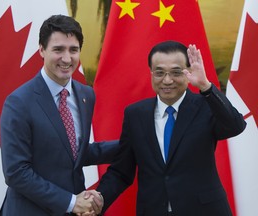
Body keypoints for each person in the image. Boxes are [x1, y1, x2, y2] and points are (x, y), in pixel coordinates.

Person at [95, 40, 247, 216]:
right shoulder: (135, 114)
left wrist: (205, 86)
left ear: (188, 72)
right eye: (159, 73)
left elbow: (236, 126)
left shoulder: (206, 106)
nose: (167, 80)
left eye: (176, 72)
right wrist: (98, 200)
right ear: (151, 73)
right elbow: (122, 170)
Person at [0, 15, 118, 216]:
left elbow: (74, 153)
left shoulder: (86, 94)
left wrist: (129, 143)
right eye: (58, 49)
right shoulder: (18, 102)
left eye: (73, 50)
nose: (66, 58)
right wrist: (71, 202)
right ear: (42, 50)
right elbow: (16, 173)